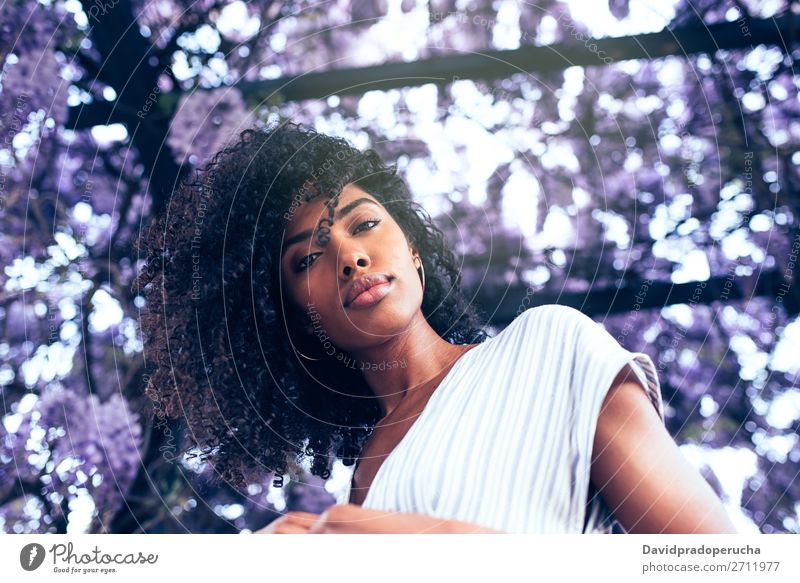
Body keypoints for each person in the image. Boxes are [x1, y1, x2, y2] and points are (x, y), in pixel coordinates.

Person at [135, 121, 738, 534]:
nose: (349, 256)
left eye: (363, 223)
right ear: (289, 316)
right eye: (307, 259)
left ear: (414, 249)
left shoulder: (548, 346)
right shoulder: (364, 488)